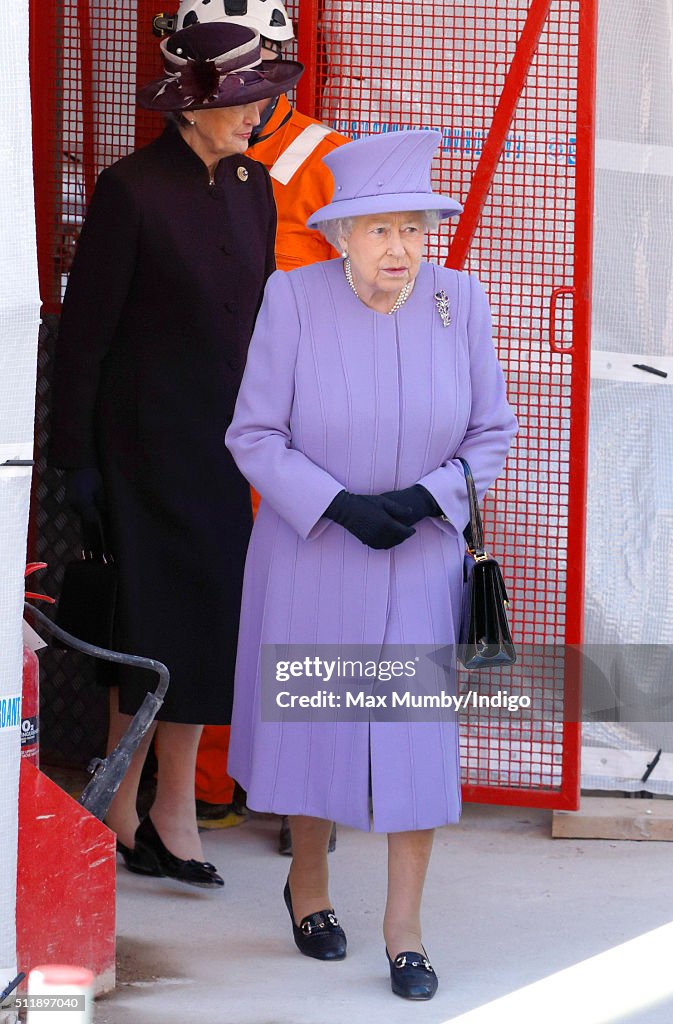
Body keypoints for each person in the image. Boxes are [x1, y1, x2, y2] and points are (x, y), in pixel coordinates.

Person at [224, 129, 518, 997]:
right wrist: (337, 505)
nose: (401, 248)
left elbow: (490, 430)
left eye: (415, 228)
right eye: (379, 229)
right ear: (339, 235)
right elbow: (254, 434)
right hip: (315, 551)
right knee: (317, 719)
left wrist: (433, 498)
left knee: (413, 739)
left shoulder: (456, 300)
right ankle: (308, 887)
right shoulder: (293, 297)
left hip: (421, 554)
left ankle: (404, 927)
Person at [49, 22, 302, 888]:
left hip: (224, 447)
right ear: (191, 110)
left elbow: (262, 329)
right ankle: (122, 809)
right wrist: (76, 460)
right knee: (143, 626)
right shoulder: (130, 190)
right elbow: (86, 340)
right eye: (237, 100)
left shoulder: (256, 187)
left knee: (208, 627)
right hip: (138, 449)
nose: (255, 111)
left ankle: (170, 809)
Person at [172, 0, 349, 847]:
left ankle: (302, 790)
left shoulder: (328, 159)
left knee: (304, 602)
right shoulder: (184, 149)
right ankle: (208, 784)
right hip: (210, 405)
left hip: (302, 421)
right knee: (216, 588)